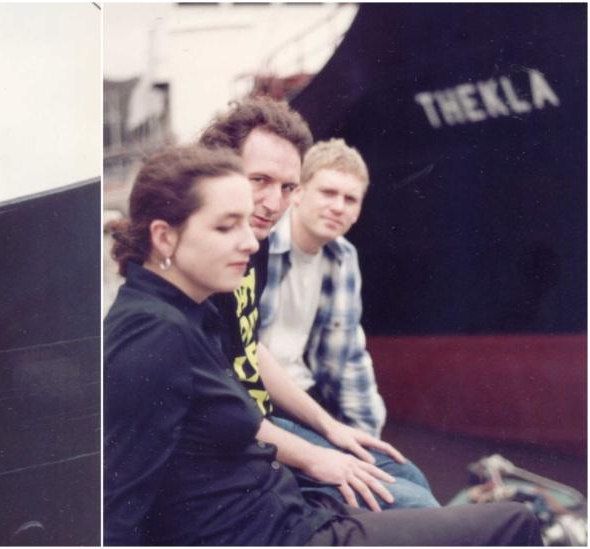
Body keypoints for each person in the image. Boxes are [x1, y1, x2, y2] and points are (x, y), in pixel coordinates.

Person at [103, 144, 540, 546]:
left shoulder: (191, 312)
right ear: (164, 237)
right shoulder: (151, 335)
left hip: (291, 516)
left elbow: (346, 359)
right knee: (514, 524)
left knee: (416, 486)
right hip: (281, 537)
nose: (251, 241)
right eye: (225, 226)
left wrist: (341, 437)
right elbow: (117, 505)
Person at [199, 97, 438, 509]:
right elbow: (220, 392)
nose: (272, 202)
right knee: (411, 506)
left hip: (286, 407)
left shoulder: (334, 257)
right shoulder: (238, 248)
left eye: (351, 199)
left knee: (406, 475)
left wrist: (344, 431)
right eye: (259, 180)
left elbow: (339, 356)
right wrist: (318, 455)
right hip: (251, 427)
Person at [259, 138, 385, 437]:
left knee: (403, 476)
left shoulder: (344, 258)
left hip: (309, 401)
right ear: (298, 193)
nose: (338, 207)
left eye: (350, 199)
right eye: (328, 193)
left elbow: (351, 356)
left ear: (358, 211)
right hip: (258, 402)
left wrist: (368, 439)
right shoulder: (259, 245)